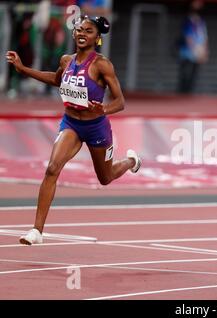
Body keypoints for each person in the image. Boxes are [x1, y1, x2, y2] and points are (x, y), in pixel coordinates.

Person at [5, 15, 142, 245]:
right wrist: (23, 69)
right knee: (52, 169)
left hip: (96, 127)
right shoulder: (66, 61)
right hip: (71, 124)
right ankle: (37, 231)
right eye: (79, 29)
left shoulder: (102, 65)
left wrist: (103, 109)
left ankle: (130, 161)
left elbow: (120, 102)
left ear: (97, 38)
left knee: (105, 178)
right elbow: (56, 80)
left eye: (88, 31)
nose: (82, 33)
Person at [177, 0, 208, 94]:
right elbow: (187, 36)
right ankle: (182, 93)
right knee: (185, 73)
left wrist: (204, 51)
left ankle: (189, 93)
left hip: (198, 50)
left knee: (194, 74)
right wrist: (195, 50)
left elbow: (204, 36)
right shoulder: (187, 20)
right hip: (187, 52)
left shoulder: (201, 21)